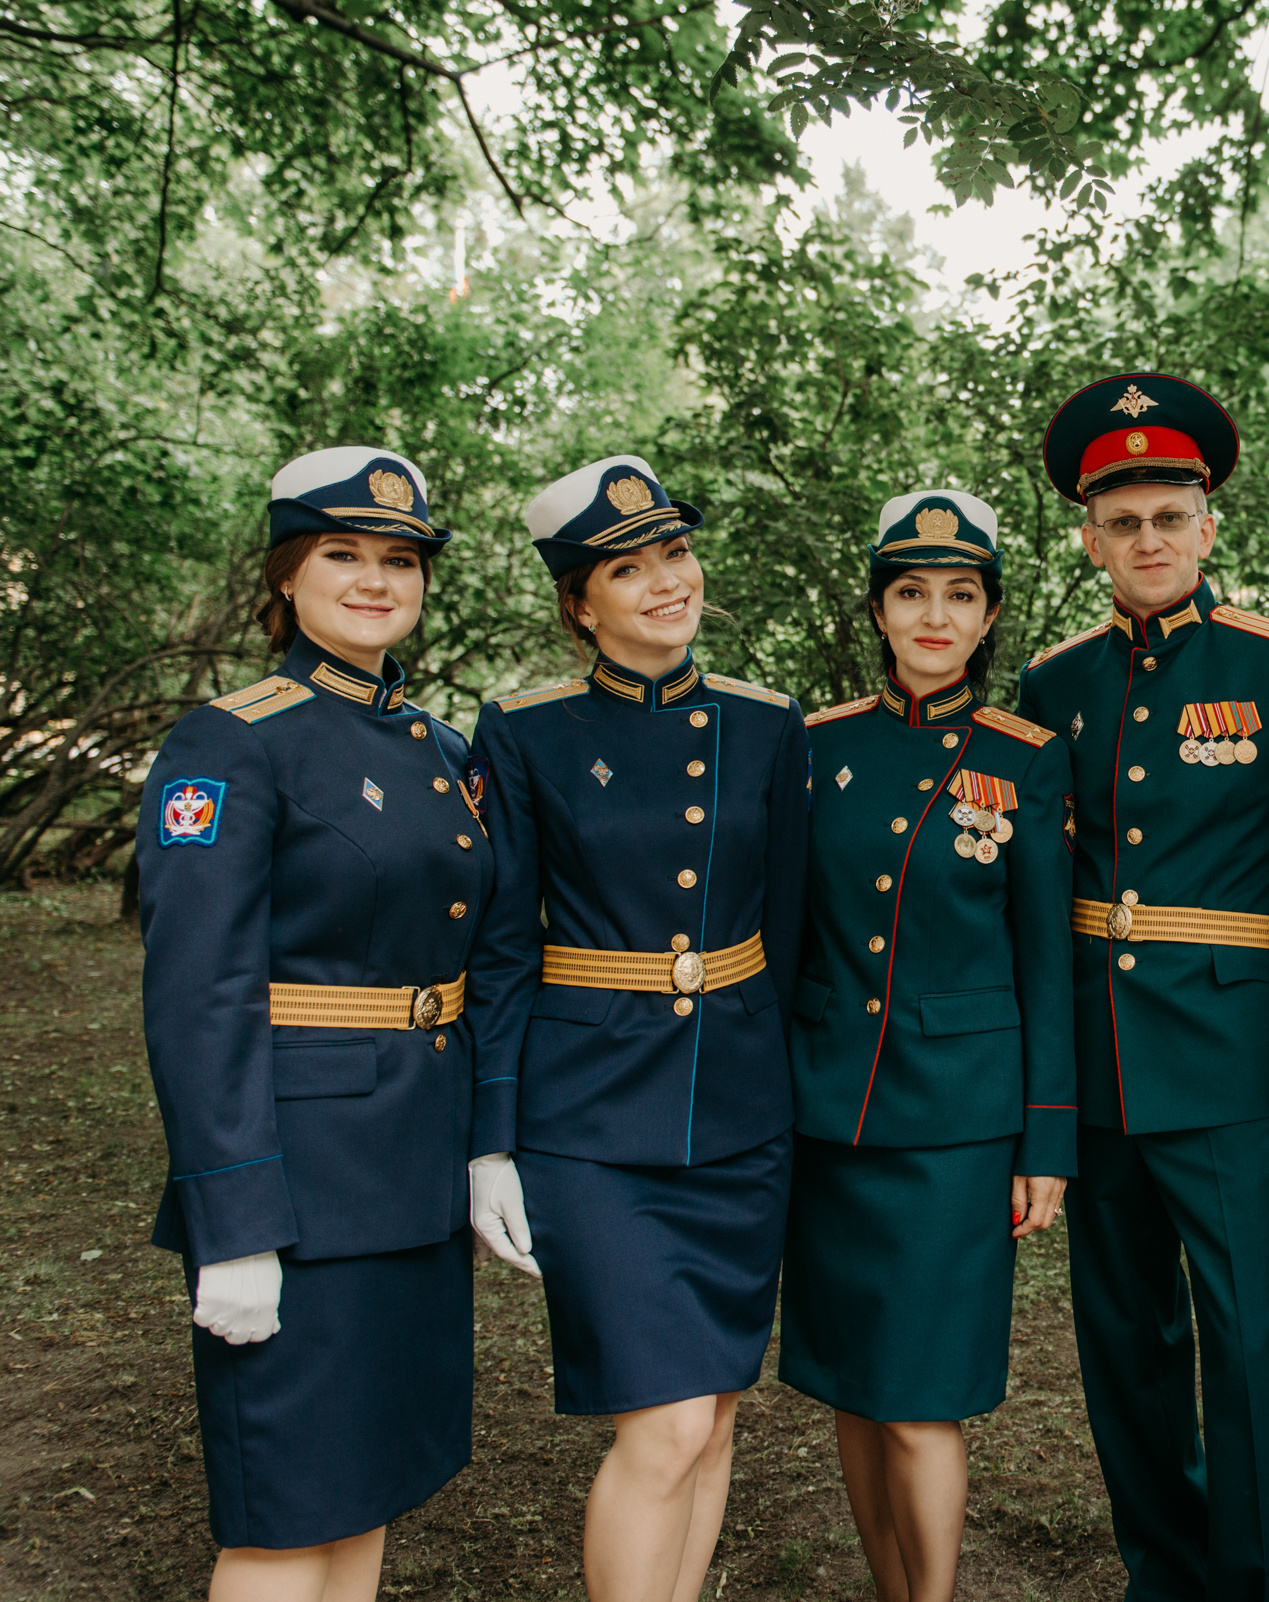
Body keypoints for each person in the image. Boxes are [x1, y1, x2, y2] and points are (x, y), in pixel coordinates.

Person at [1013, 373, 1269, 1602]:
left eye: (1169, 516)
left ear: (1207, 527)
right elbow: (1038, 896)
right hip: (1098, 1069)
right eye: (1122, 521)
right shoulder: (1053, 685)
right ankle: (1165, 1570)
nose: (1146, 541)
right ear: (1089, 537)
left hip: (1227, 1064)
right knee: (1124, 1348)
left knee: (1249, 1340)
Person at [136, 446, 487, 1600]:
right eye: (343, 553)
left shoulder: (438, 753)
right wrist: (231, 1217)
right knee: (286, 1514)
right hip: (303, 1187)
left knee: (370, 1487)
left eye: (398, 558)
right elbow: (200, 992)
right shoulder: (233, 741)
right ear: (288, 573)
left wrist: (483, 1147)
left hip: (415, 1173)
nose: (375, 579)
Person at [461, 456, 809, 1602]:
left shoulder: (767, 724)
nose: (666, 581)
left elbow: (794, 931)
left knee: (713, 1419)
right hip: (594, 1117)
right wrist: (491, 1138)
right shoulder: (523, 732)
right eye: (627, 567)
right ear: (580, 602)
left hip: (742, 1114)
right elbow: (503, 946)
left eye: (674, 553)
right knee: (658, 1428)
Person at [779, 489, 1075, 1602]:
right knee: (852, 1386)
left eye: (960, 595)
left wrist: (1046, 1140)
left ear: (991, 615)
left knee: (921, 1400)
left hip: (957, 1123)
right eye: (912, 593)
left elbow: (1046, 958)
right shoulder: (815, 747)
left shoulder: (1026, 757)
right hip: (830, 1115)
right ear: (880, 610)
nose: (935, 615)